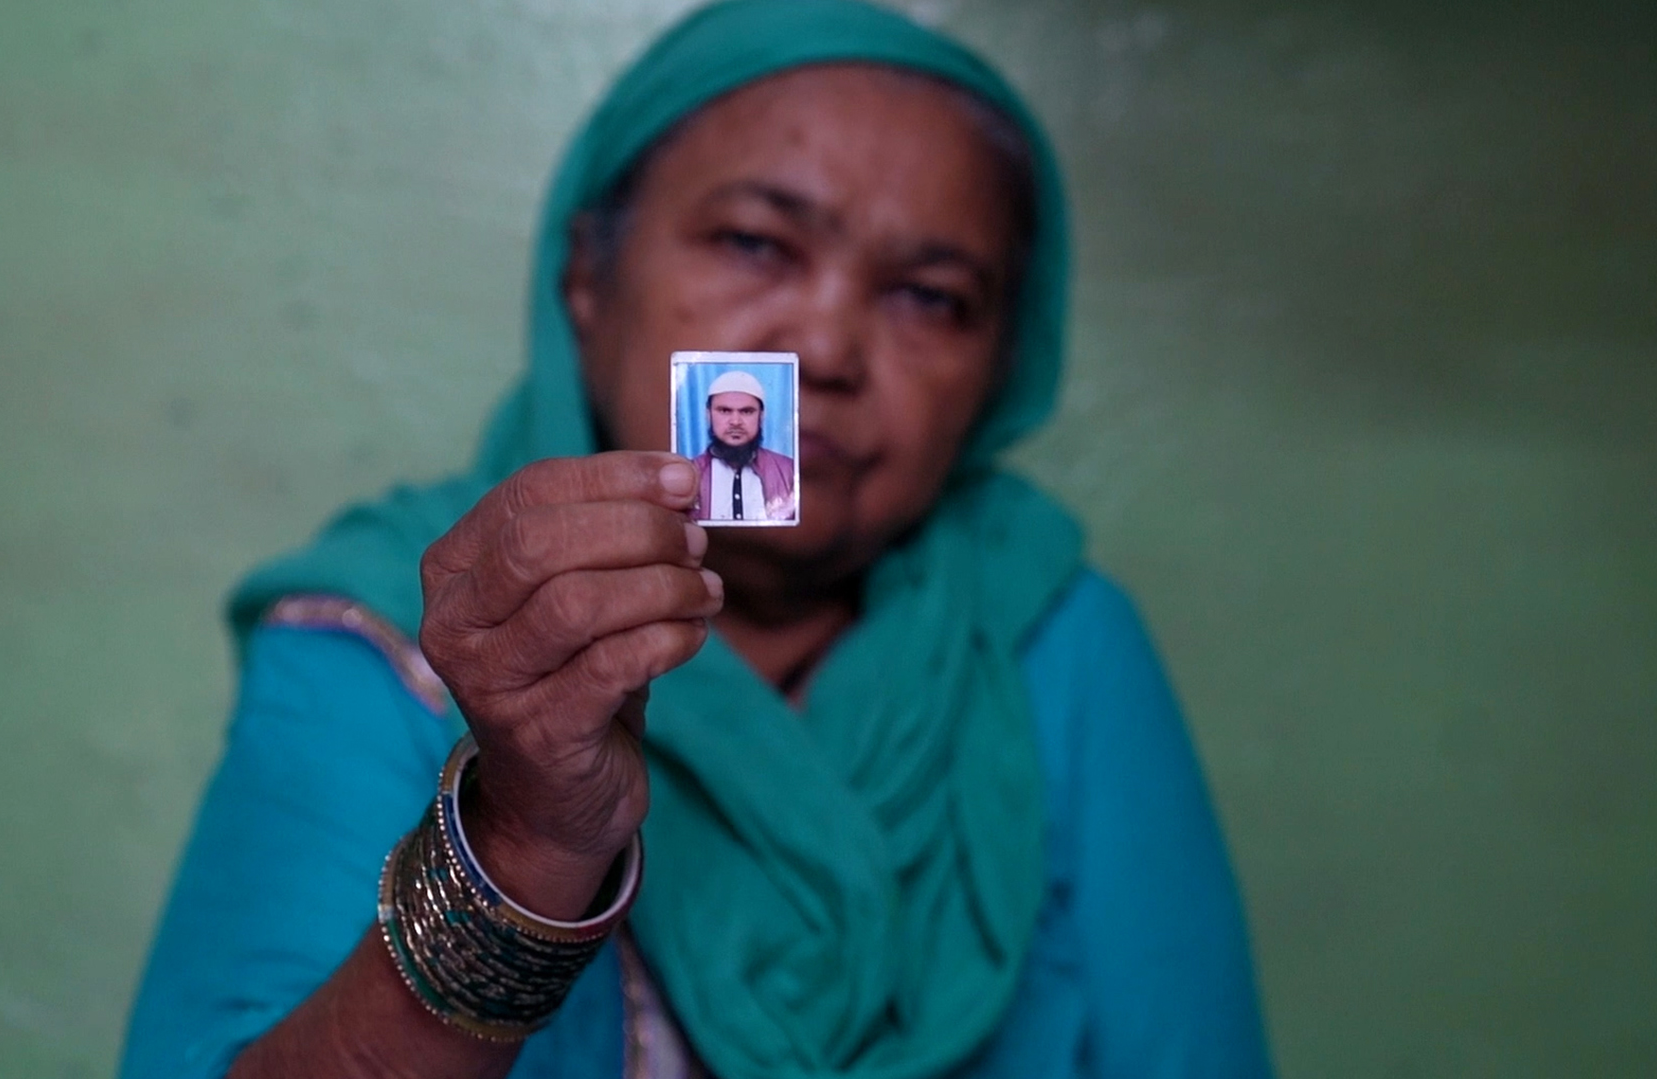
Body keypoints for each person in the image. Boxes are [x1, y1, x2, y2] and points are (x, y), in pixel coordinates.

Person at [119, 2, 1273, 1078]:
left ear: (1000, 371)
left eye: (931, 296)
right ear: (587, 275)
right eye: (756, 242)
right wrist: (523, 842)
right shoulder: (396, 627)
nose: (826, 348)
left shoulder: (1054, 641)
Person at [692, 370, 797, 522]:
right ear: (708, 415)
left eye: (747, 411)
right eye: (725, 411)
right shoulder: (690, 473)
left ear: (761, 415)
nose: (735, 421)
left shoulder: (790, 471)